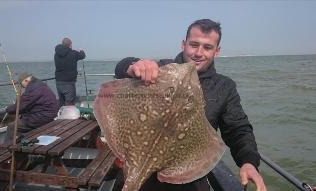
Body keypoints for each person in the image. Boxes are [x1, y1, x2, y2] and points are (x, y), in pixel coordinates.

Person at [114, 19, 267, 191]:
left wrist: (248, 162)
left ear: (217, 51)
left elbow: (238, 129)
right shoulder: (161, 69)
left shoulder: (224, 87)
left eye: (207, 47)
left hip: (185, 177)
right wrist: (134, 66)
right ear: (183, 44)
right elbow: (121, 69)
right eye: (194, 44)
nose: (199, 53)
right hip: (137, 165)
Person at [5, 72, 58, 142]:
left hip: (43, 117)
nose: (23, 87)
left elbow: (20, 106)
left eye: (22, 85)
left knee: (12, 126)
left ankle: (7, 148)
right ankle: (22, 142)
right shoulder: (40, 84)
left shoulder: (33, 89)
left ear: (26, 81)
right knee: (22, 118)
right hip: (50, 114)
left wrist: (7, 109)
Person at [54, 37, 86, 106]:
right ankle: (68, 116)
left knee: (61, 103)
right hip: (69, 83)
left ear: (62, 44)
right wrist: (81, 50)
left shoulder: (56, 54)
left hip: (58, 82)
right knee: (69, 104)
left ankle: (61, 115)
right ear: (70, 45)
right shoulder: (73, 53)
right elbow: (83, 56)